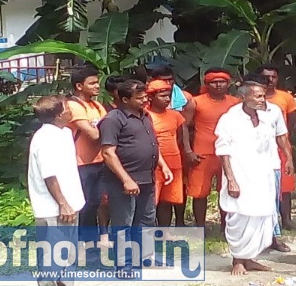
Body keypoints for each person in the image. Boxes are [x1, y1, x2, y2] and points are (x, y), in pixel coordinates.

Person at [216, 80, 289, 275]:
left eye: (263, 96)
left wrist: (286, 160)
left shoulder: (266, 117)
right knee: (240, 216)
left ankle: (249, 259)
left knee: (262, 215)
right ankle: (237, 260)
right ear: (243, 97)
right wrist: (231, 179)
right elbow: (223, 151)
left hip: (262, 174)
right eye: (257, 96)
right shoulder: (229, 119)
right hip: (240, 174)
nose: (261, 99)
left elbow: (274, 141)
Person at [100, 78, 173, 272]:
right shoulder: (113, 119)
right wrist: (126, 179)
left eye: (145, 97)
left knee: (147, 218)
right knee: (124, 221)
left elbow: (152, 144)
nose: (145, 101)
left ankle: (146, 257)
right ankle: (123, 264)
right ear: (124, 99)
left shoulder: (145, 116)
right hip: (124, 181)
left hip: (147, 177)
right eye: (139, 98)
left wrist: (163, 165)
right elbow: (108, 153)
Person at [26, 95, 87, 286]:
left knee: (68, 250)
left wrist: (71, 202)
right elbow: (49, 175)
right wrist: (63, 203)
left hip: (71, 200)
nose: (72, 111)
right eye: (69, 108)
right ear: (60, 114)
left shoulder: (65, 133)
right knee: (52, 251)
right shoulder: (44, 138)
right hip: (53, 205)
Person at [185, 68, 241, 228]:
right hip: (202, 153)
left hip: (229, 153)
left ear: (228, 83)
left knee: (226, 190)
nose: (218, 85)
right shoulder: (196, 102)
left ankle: (226, 225)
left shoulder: (235, 103)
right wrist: (188, 151)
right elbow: (184, 126)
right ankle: (200, 226)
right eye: (214, 82)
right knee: (199, 193)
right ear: (207, 84)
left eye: (222, 81)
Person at [257, 65, 296, 247]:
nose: (269, 80)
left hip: (280, 149)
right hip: (256, 153)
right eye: (265, 77)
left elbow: (290, 122)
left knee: (284, 186)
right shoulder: (246, 103)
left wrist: (288, 148)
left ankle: (285, 220)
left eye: (273, 77)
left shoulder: (284, 98)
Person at [66, 66, 107, 238]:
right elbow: (94, 134)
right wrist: (100, 129)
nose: (97, 86)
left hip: (99, 161)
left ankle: (91, 243)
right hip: (81, 163)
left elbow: (108, 129)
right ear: (79, 86)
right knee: (86, 205)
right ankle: (84, 243)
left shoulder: (96, 105)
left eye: (97, 82)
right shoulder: (73, 106)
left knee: (96, 203)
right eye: (92, 83)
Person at [146, 79, 186, 227]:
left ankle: (165, 232)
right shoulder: (145, 115)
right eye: (162, 96)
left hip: (175, 162)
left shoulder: (175, 115)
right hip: (154, 163)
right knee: (152, 201)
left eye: (168, 95)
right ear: (151, 97)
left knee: (167, 201)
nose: (167, 99)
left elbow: (181, 135)